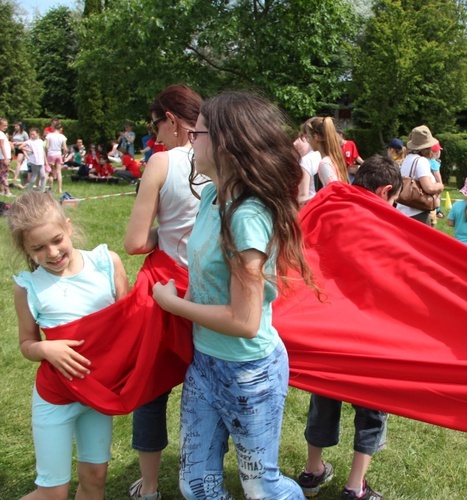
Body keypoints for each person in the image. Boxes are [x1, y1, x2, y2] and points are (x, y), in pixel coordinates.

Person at [151, 91, 317, 499]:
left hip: (250, 374)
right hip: (205, 363)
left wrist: (173, 304)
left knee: (261, 488)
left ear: (224, 143)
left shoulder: (246, 217)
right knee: (195, 485)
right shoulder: (211, 196)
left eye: (199, 131)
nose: (191, 138)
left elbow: (245, 322)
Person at [9, 190, 129, 500]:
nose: (51, 252)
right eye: (38, 248)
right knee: (53, 493)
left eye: (57, 240)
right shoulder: (29, 287)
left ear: (69, 226)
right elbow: (26, 343)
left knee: (95, 479)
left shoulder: (105, 263)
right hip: (56, 398)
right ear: (24, 248)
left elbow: (131, 321)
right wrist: (46, 349)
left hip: (98, 394)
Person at [296, 156, 400, 500]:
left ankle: (312, 471)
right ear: (385, 191)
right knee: (372, 407)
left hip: (327, 329)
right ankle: (355, 486)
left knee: (323, 398)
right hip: (372, 334)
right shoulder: (390, 226)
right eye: (394, 199)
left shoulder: (330, 212)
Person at [123, 83, 206, 500]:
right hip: (211, 290)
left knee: (151, 390)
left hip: (165, 287)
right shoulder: (227, 156)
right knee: (207, 390)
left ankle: (151, 487)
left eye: (156, 125)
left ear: (172, 119)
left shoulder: (161, 161)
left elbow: (136, 242)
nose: (155, 136)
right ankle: (201, 476)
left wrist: (162, 232)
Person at [396, 125, 444, 225]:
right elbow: (429, 187)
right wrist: (440, 185)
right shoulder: (421, 161)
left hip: (403, 209)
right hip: (417, 211)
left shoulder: (407, 159)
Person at [307, 117, 349, 186]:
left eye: (309, 136)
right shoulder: (334, 159)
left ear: (316, 137)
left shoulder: (325, 163)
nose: (308, 141)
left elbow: (334, 190)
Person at [295, 119, 322, 207]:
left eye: (304, 136)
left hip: (313, 211)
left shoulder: (307, 160)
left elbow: (303, 196)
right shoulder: (335, 157)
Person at [45, 122, 68, 194]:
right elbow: (65, 148)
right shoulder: (62, 136)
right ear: (60, 129)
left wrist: (45, 154)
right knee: (58, 172)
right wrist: (64, 156)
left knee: (47, 171)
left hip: (51, 154)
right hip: (58, 154)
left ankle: (42, 186)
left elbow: (47, 146)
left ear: (53, 128)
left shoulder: (49, 135)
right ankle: (59, 189)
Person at [0, 118, 12, 196]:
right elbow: (2, 146)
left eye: (6, 125)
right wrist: (6, 158)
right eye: (4, 125)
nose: (6, 127)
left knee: (1, 175)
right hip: (3, 157)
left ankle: (1, 191)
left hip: (2, 157)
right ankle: (7, 192)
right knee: (4, 175)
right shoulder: (0, 134)